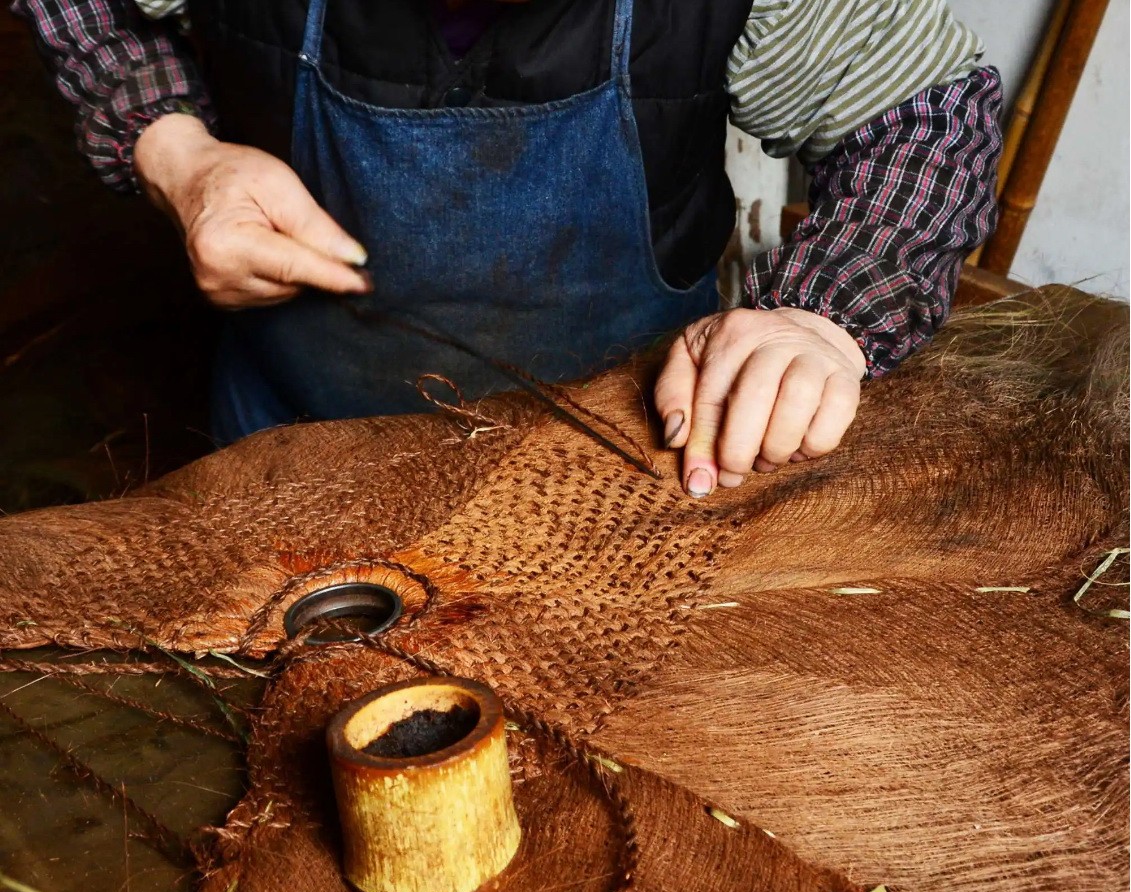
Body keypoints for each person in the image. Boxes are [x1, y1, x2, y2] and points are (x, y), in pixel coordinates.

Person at [14, 0, 1001, 497]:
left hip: (630, 472)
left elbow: (926, 110)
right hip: (288, 456)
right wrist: (178, 153)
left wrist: (820, 317)